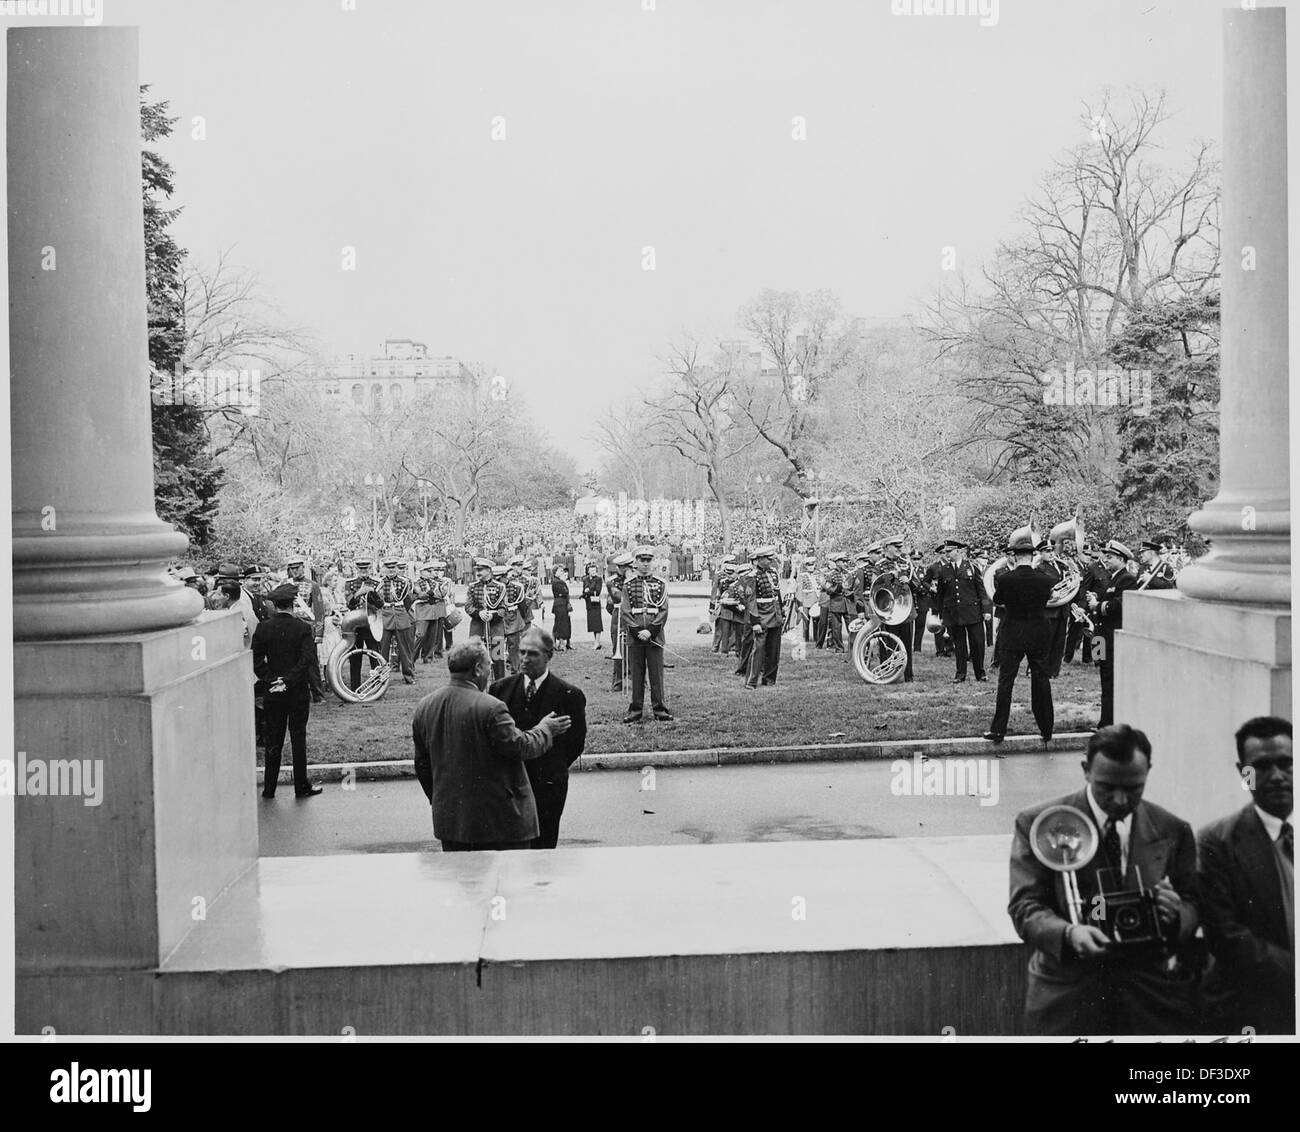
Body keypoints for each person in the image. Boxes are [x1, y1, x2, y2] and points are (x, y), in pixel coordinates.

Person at [1008, 725, 1199, 1035]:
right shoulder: (1038, 823)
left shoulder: (1174, 829)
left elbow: (1193, 901)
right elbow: (1024, 906)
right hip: (1069, 998)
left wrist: (1176, 914)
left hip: (1151, 1001)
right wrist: (1068, 934)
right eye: (1107, 787)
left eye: (1134, 788)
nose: (1121, 800)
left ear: (1148, 771)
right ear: (1085, 770)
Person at [412, 639, 571, 852]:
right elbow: (521, 747)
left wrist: (440, 799)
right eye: (488, 664)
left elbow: (422, 765)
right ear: (478, 669)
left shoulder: (425, 706)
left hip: (451, 822)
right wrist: (546, 729)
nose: (490, 671)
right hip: (499, 825)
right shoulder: (491, 707)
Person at [1197, 716, 1294, 1034]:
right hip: (1253, 1012)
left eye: (1286, 763)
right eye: (1263, 766)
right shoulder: (1216, 842)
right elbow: (1227, 938)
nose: (1278, 776)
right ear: (1244, 774)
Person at [489, 626, 588, 849]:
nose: (525, 659)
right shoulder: (499, 691)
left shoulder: (569, 695)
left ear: (549, 656)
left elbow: (575, 743)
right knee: (510, 851)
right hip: (510, 787)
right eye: (522, 652)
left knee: (543, 850)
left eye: (532, 654)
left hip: (548, 786)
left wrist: (553, 767)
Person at [251, 582, 323, 799]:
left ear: (275, 605)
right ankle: (301, 786)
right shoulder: (303, 628)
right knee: (298, 737)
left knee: (274, 739)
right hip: (296, 690)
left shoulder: (263, 627)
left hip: (273, 691)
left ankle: (269, 788)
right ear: (292, 603)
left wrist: (272, 679)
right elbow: (307, 659)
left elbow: (255, 658)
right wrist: (289, 680)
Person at [984, 527, 1055, 745]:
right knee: (1041, 680)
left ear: (1015, 556)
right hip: (1038, 634)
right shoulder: (1045, 579)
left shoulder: (1006, 579)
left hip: (1013, 634)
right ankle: (1046, 729)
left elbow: (998, 600)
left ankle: (998, 730)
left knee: (1006, 682)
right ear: (1033, 556)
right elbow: (1047, 601)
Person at [1085, 539, 1137, 728]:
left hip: (1111, 640)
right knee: (1104, 679)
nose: (1105, 560)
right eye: (1105, 556)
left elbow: (1120, 606)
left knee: (1110, 683)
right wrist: (1096, 601)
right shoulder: (1114, 578)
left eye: (1110, 557)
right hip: (1101, 639)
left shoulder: (1126, 579)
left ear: (1122, 559)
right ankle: (1105, 722)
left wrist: (1096, 605)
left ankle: (1107, 724)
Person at [621, 546, 673, 724]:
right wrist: (637, 631)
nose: (645, 564)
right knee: (637, 675)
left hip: (654, 636)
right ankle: (635, 711)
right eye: (642, 560)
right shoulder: (628, 585)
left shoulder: (660, 584)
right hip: (635, 637)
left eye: (648, 560)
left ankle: (660, 709)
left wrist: (650, 630)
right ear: (635, 562)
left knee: (656, 674)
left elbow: (663, 611)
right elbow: (626, 611)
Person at [930, 539, 991, 683]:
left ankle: (980, 673)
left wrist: (986, 610)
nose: (946, 554)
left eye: (949, 551)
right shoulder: (944, 570)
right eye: (945, 552)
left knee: (977, 643)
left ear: (958, 551)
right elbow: (941, 595)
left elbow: (981, 590)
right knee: (959, 645)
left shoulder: (971, 566)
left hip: (973, 612)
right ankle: (960, 673)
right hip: (954, 614)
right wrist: (940, 614)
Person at [744, 546, 784, 688]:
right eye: (768, 559)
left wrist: (781, 614)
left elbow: (777, 596)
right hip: (761, 616)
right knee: (759, 649)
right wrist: (755, 622)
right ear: (760, 559)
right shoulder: (751, 576)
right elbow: (751, 601)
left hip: (775, 615)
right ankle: (752, 680)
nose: (770, 561)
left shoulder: (773, 573)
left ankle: (769, 679)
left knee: (774, 650)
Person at [343, 555, 385, 692]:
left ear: (370, 568)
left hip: (372, 624)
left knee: (374, 656)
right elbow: (349, 605)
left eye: (366, 568)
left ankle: (377, 685)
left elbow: (381, 604)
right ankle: (355, 688)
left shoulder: (377, 582)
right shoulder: (349, 583)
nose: (363, 570)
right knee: (355, 658)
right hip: (356, 625)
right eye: (361, 568)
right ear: (356, 568)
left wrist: (372, 593)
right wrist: (358, 594)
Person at [464, 557, 508, 681]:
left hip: (496, 627)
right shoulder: (472, 587)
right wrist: (479, 613)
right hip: (478, 627)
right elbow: (468, 606)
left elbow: (504, 609)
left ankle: (500, 684)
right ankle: (477, 685)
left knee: (498, 658)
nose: (478, 572)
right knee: (475, 657)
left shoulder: (500, 587)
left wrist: (493, 615)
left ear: (489, 570)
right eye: (477, 569)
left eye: (481, 569)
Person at [376, 555, 417, 684]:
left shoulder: (404, 581)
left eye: (393, 567)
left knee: (404, 648)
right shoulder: (379, 583)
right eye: (388, 568)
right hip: (386, 615)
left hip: (400, 614)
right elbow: (377, 600)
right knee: (383, 649)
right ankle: (382, 676)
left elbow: (407, 600)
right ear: (383, 569)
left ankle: (408, 675)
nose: (391, 570)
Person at [606, 551, 633, 691]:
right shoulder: (611, 581)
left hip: (634, 616)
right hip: (619, 617)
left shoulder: (636, 580)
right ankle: (618, 681)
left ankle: (638, 679)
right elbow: (618, 598)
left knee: (636, 648)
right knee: (618, 648)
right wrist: (629, 581)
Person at [502, 557, 529, 676]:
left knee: (514, 645)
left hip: (514, 617)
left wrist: (522, 617)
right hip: (502, 617)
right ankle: (500, 667)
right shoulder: (497, 586)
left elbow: (522, 603)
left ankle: (515, 667)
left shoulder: (519, 584)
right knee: (498, 644)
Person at [581, 561, 605, 649]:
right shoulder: (585, 579)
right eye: (591, 570)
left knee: (597, 623)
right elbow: (583, 590)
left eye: (594, 570)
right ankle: (597, 642)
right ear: (588, 571)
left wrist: (588, 592)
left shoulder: (598, 579)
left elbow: (598, 591)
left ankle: (597, 641)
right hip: (588, 603)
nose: (593, 572)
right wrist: (584, 593)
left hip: (595, 603)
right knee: (592, 623)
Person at [550, 564, 573, 649]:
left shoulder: (558, 581)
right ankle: (560, 643)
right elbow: (564, 592)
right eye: (560, 571)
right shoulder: (557, 581)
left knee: (561, 623)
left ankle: (560, 642)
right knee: (560, 624)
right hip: (560, 604)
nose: (562, 572)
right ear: (555, 572)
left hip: (561, 604)